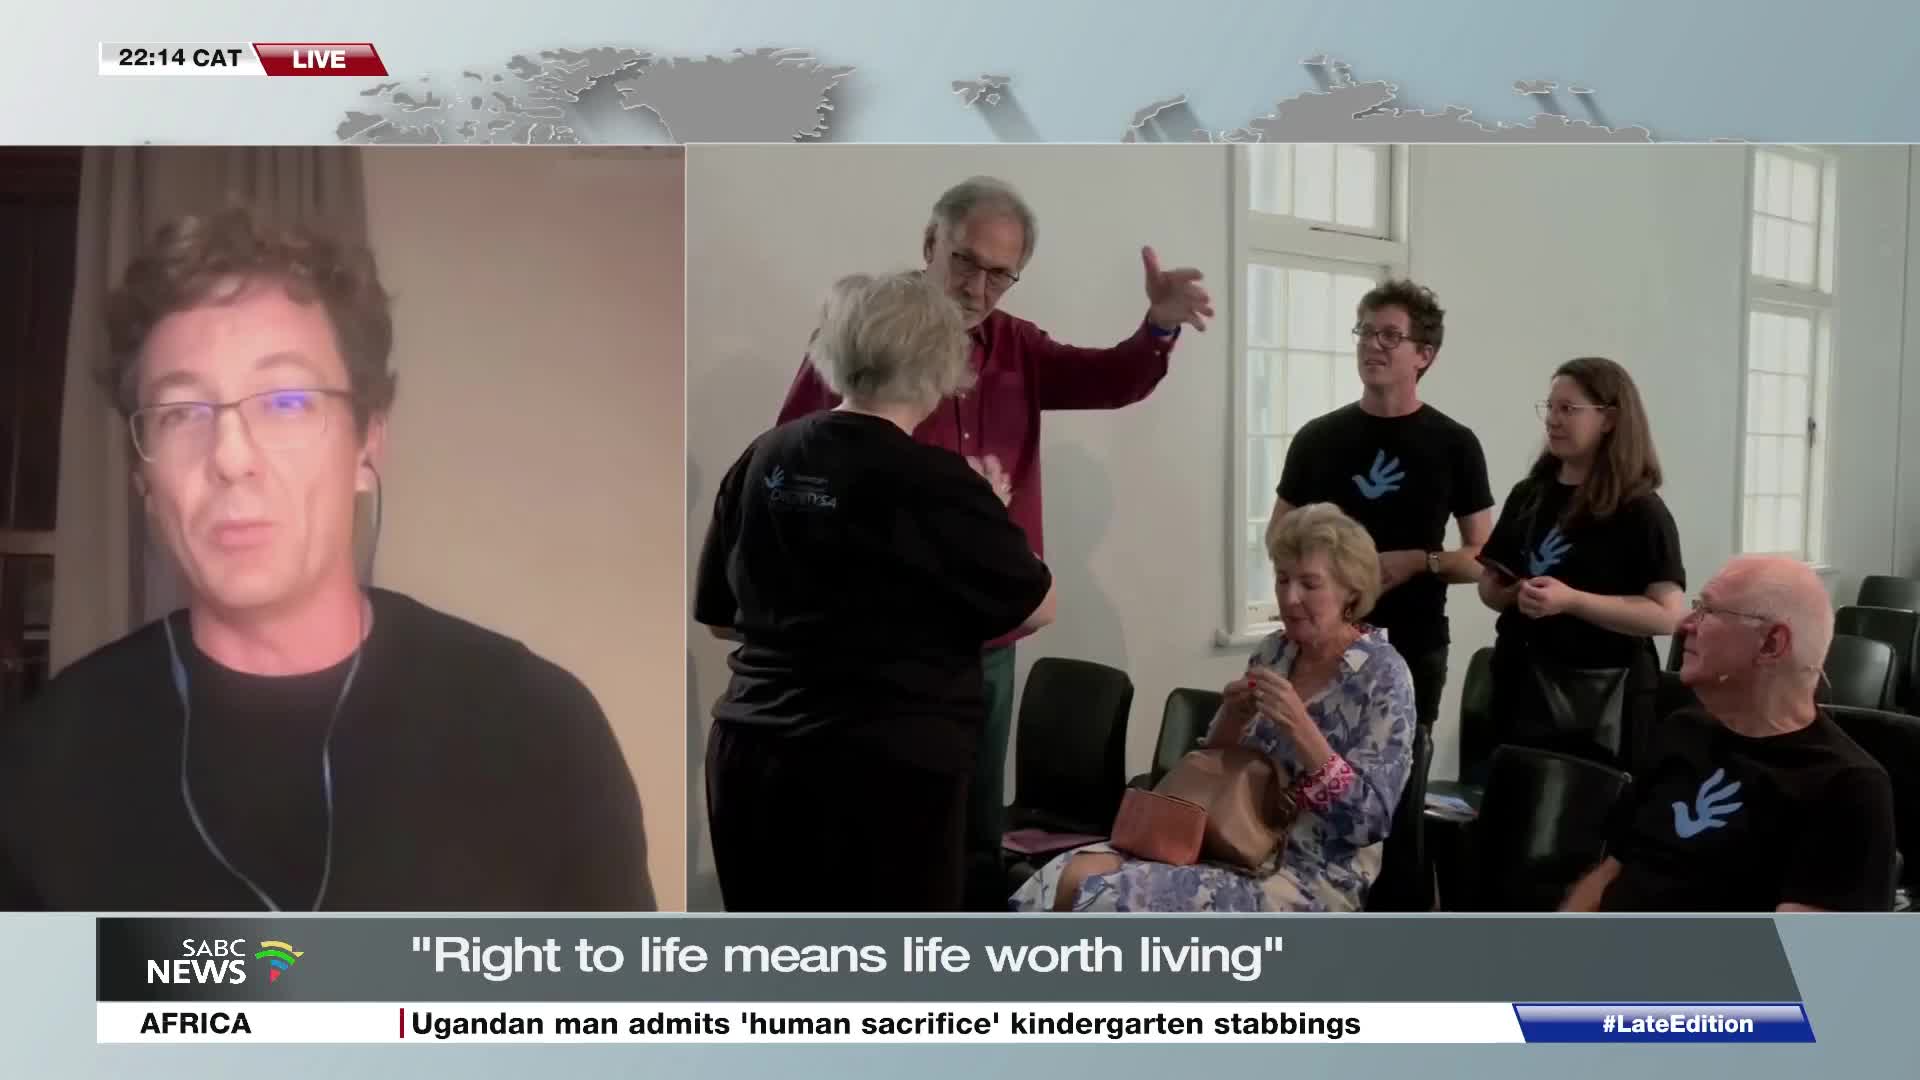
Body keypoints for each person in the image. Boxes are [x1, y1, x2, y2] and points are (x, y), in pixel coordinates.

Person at [0, 206, 655, 911]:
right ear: (143, 477)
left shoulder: (539, 729)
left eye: (286, 401)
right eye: (181, 412)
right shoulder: (47, 759)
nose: (231, 458)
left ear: (368, 443)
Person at [773, 176, 1213, 907]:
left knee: (976, 821)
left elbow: (1110, 379)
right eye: (965, 262)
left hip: (988, 638)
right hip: (884, 649)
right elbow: (792, 460)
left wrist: (1158, 328)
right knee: (888, 831)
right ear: (930, 244)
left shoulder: (1017, 346)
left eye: (1000, 274)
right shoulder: (864, 333)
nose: (977, 288)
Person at [696, 270, 1058, 912]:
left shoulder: (764, 456)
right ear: (940, 363)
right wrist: (996, 521)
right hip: (889, 772)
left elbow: (722, 619)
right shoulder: (942, 482)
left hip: (753, 756)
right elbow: (1037, 606)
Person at [1009, 503, 1416, 913]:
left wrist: (1301, 728)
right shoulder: (1275, 651)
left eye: (1309, 584)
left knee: (1108, 898)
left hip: (1306, 871)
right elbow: (1215, 763)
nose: (1290, 598)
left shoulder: (1383, 675)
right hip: (1219, 840)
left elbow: (1370, 820)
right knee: (1064, 876)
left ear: (1351, 590)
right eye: (1282, 579)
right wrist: (1233, 716)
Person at [1560, 556, 1897, 911]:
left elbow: (1799, 945)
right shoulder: (1682, 729)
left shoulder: (1847, 787)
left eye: (1707, 611)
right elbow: (1610, 870)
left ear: (1771, 643)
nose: (1685, 624)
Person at [1266, 280, 1493, 732]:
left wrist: (1420, 562)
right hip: (1319, 642)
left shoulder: (1454, 444)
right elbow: (1278, 538)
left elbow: (1484, 558)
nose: (1372, 344)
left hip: (1414, 641)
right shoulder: (1317, 438)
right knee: (1302, 760)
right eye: (1365, 332)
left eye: (1389, 335)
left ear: (1424, 354)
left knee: (1396, 767)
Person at [1474, 357, 1687, 779]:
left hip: (1602, 695)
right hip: (1521, 682)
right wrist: (1516, 594)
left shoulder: (1641, 509)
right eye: (1550, 408)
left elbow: (1667, 614)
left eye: (1568, 409)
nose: (1553, 420)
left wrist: (1572, 601)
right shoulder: (1529, 494)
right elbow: (1490, 586)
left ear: (1609, 419)